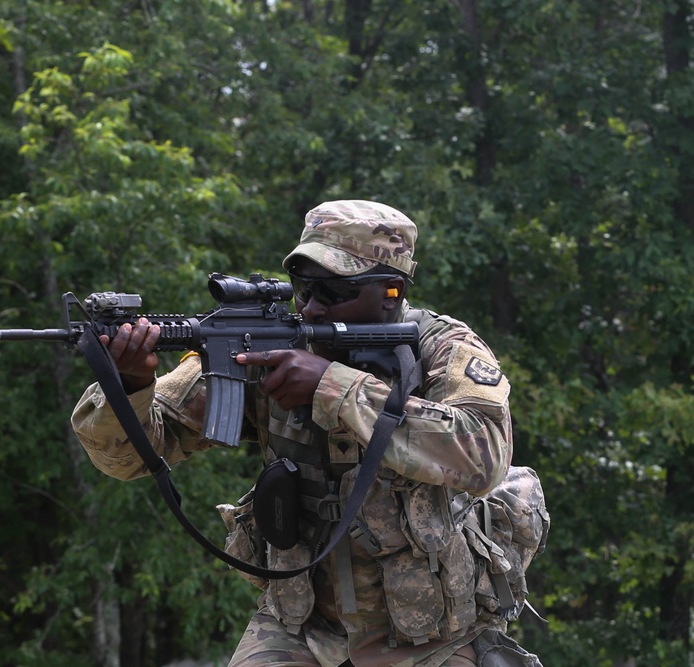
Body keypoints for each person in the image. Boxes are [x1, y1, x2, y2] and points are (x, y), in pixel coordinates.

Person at [71, 200, 542, 667]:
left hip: (432, 632)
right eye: (303, 289)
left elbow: (482, 453)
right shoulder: (262, 346)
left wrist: (332, 386)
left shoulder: (442, 348)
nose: (312, 308)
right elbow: (126, 459)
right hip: (302, 626)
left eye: (333, 291)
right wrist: (130, 384)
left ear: (391, 291)